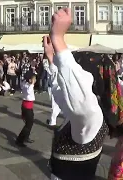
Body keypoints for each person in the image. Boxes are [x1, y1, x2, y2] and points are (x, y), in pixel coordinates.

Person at [44, 8, 108, 179]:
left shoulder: (90, 114)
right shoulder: (90, 111)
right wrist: (51, 59)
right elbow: (61, 92)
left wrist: (58, 38)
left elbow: (76, 91)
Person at [15, 71, 36, 147]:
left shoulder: (24, 83)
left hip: (26, 105)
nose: (35, 80)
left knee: (30, 123)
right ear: (30, 80)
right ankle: (19, 140)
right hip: (27, 107)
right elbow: (29, 91)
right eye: (34, 78)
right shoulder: (28, 86)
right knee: (28, 124)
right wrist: (32, 83)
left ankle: (26, 137)